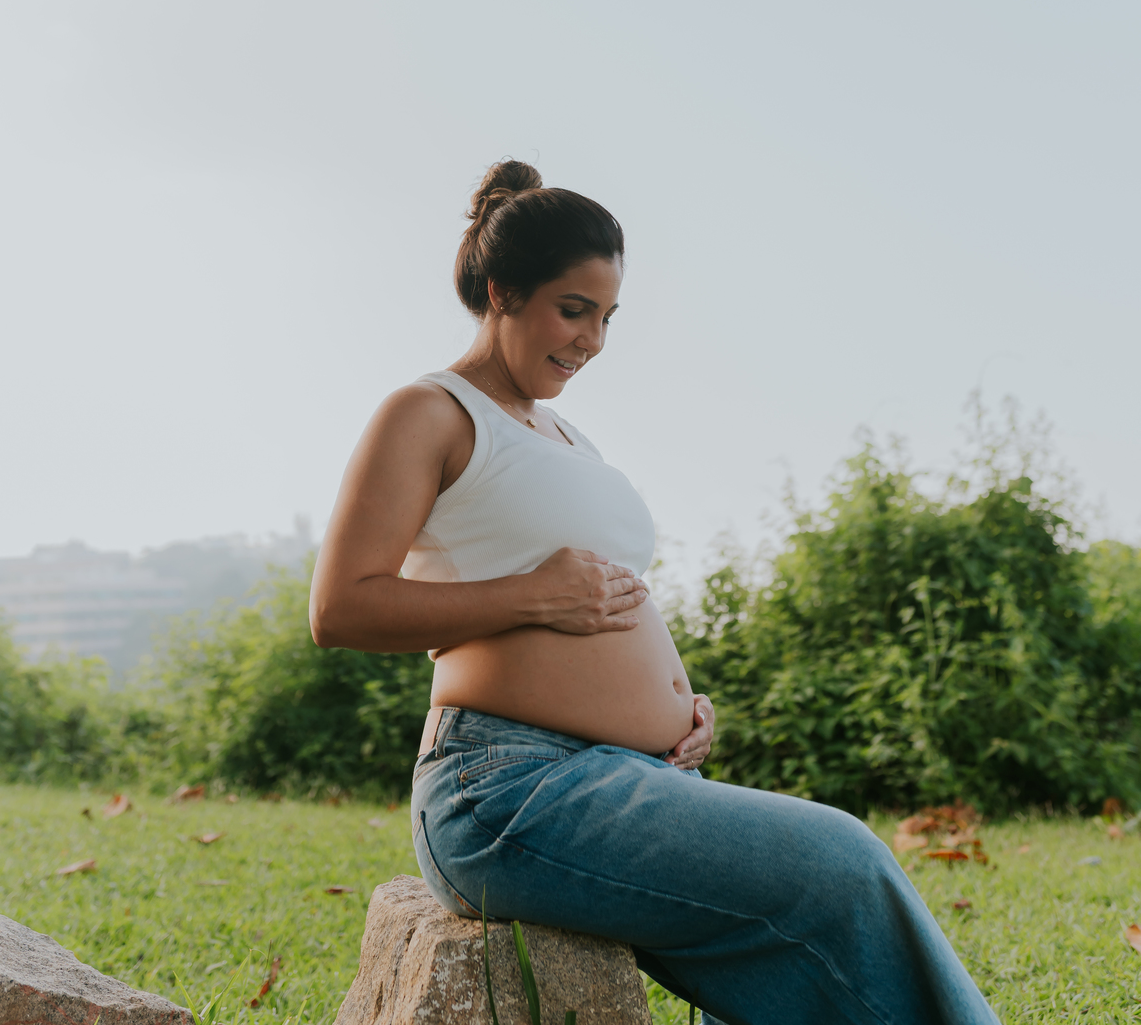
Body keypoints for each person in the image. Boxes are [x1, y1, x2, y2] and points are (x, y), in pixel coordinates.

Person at [309, 161, 998, 1025]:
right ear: (502, 290)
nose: (591, 339)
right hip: (504, 787)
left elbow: (601, 605)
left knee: (779, 935)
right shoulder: (431, 412)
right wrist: (532, 595)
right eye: (573, 310)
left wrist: (673, 707)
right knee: (841, 857)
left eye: (606, 317)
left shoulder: (563, 435)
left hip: (619, 771)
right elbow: (340, 609)